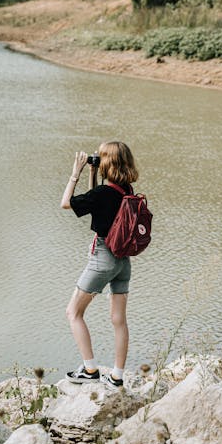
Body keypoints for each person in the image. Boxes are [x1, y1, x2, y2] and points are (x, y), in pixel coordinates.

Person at [60, 140, 139, 388]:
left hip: (103, 259)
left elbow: (66, 203)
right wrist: (94, 174)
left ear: (108, 162)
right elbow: (98, 203)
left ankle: (90, 369)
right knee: (119, 320)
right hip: (123, 262)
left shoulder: (104, 194)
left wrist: (76, 174)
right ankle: (117, 376)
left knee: (73, 313)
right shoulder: (127, 190)